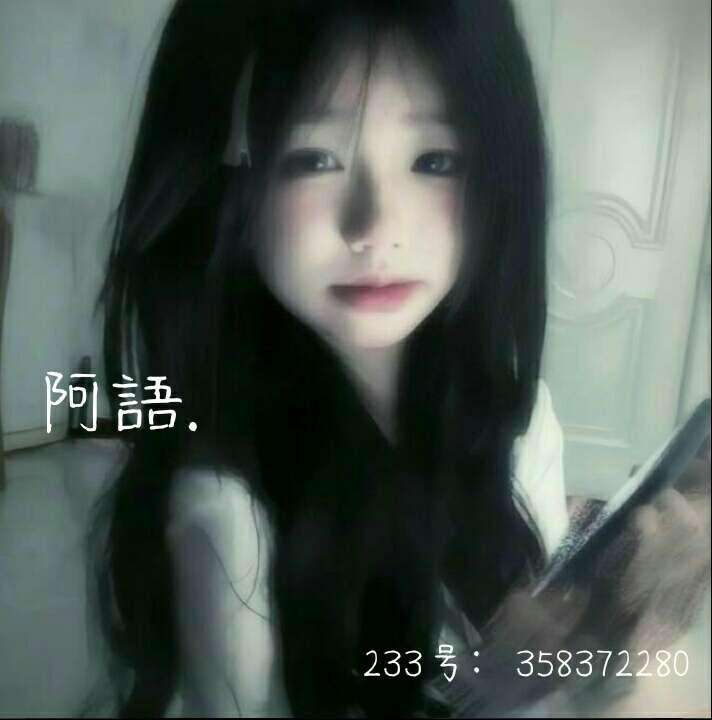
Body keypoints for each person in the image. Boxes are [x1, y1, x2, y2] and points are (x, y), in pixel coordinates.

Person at [86, 1, 710, 717]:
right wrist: (484, 697)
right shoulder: (227, 519)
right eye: (312, 158)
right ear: (226, 188)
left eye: (434, 160)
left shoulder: (520, 417)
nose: (376, 225)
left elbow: (546, 678)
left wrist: (615, 646)